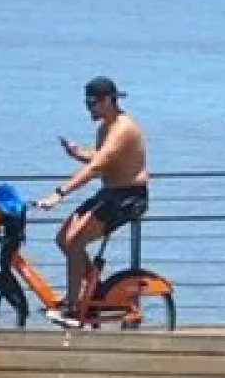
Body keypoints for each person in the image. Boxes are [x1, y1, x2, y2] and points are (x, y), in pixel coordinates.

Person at [33, 75, 150, 328]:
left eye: (92, 103)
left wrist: (59, 194)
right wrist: (78, 153)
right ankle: (94, 292)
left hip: (129, 197)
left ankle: (72, 308)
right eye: (86, 103)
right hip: (110, 193)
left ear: (108, 101)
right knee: (63, 239)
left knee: (76, 242)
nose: (89, 109)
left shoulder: (123, 128)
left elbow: (96, 167)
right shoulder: (104, 128)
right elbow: (102, 160)